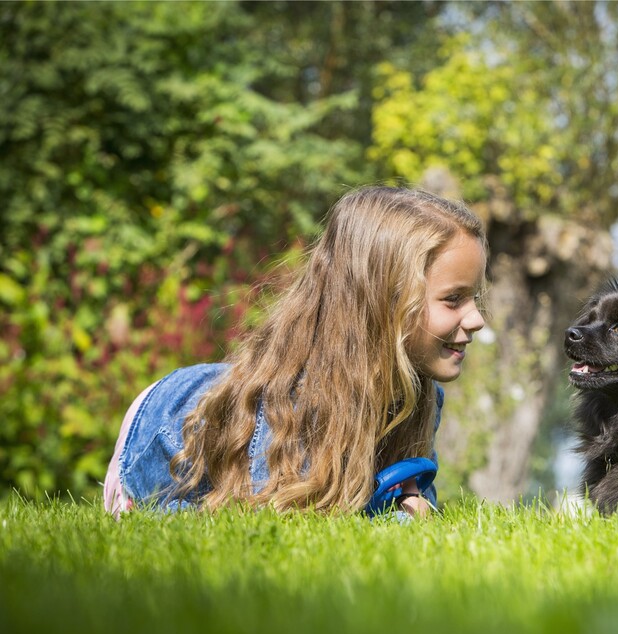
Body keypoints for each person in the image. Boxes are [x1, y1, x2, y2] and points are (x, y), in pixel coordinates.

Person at [103, 186, 487, 519]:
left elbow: (408, 497)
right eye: (453, 299)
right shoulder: (289, 406)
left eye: (473, 298)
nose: (476, 320)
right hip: (163, 429)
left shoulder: (420, 394)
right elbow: (276, 520)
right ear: (384, 304)